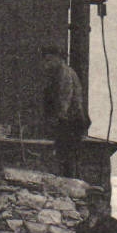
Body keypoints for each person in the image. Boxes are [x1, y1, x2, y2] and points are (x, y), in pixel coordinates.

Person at [42, 43, 88, 178]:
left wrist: (59, 116)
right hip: (71, 120)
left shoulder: (64, 73)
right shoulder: (62, 72)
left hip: (70, 121)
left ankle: (69, 180)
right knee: (68, 154)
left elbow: (65, 96)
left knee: (66, 154)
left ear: (58, 58)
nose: (46, 64)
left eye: (49, 60)